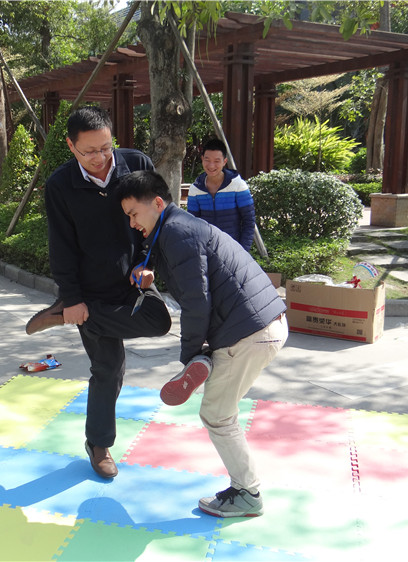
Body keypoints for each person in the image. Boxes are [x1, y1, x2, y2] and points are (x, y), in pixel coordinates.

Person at [115, 170, 288, 518]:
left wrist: (190, 355)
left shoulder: (178, 233)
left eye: (134, 214)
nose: (132, 223)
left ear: (158, 203)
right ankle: (245, 487)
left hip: (249, 333)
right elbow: (182, 267)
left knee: (217, 415)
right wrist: (148, 268)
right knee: (221, 411)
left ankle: (248, 493)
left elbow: (197, 301)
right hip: (260, 324)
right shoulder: (176, 227)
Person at [25, 106, 172, 479]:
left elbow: (157, 218)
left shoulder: (136, 163)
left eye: (106, 148)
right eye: (89, 151)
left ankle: (67, 315)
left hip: (133, 279)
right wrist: (73, 298)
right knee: (109, 367)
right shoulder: (60, 185)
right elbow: (61, 247)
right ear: (71, 146)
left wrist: (148, 262)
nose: (100, 158)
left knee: (160, 321)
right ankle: (99, 444)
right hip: (90, 290)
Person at [187, 138, 256, 252]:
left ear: (224, 161)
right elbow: (193, 224)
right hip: (207, 252)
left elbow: (249, 221)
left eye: (217, 161)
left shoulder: (238, 185)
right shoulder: (195, 189)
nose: (211, 165)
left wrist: (243, 252)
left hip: (233, 251)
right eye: (207, 160)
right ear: (202, 159)